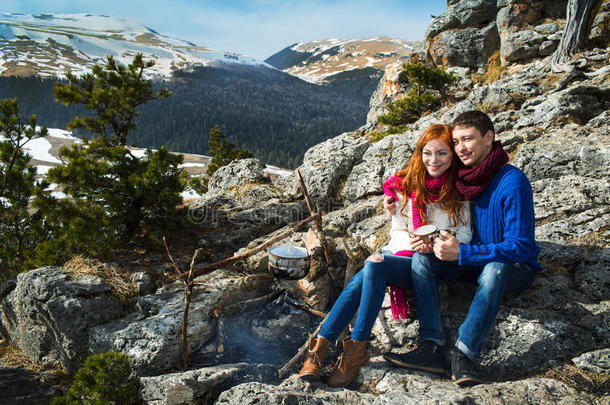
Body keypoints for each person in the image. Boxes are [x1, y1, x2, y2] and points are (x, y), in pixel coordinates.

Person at [298, 124, 472, 387]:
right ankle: (334, 350)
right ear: (419, 154)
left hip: (440, 263)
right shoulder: (408, 185)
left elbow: (467, 235)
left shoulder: (460, 190)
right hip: (407, 257)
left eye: (442, 154)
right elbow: (398, 229)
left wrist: (437, 243)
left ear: (452, 156)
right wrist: (410, 247)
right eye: (427, 153)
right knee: (373, 265)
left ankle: (333, 351)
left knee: (369, 269)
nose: (433, 160)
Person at [384, 110, 542, 387]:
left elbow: (521, 246)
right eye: (456, 142)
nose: (460, 148)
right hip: (472, 262)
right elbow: (420, 174)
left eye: (467, 139)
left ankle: (466, 352)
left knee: (495, 268)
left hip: (511, 267)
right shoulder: (466, 177)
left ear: (489, 138)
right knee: (422, 261)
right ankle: (432, 345)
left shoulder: (512, 182)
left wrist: (464, 253)